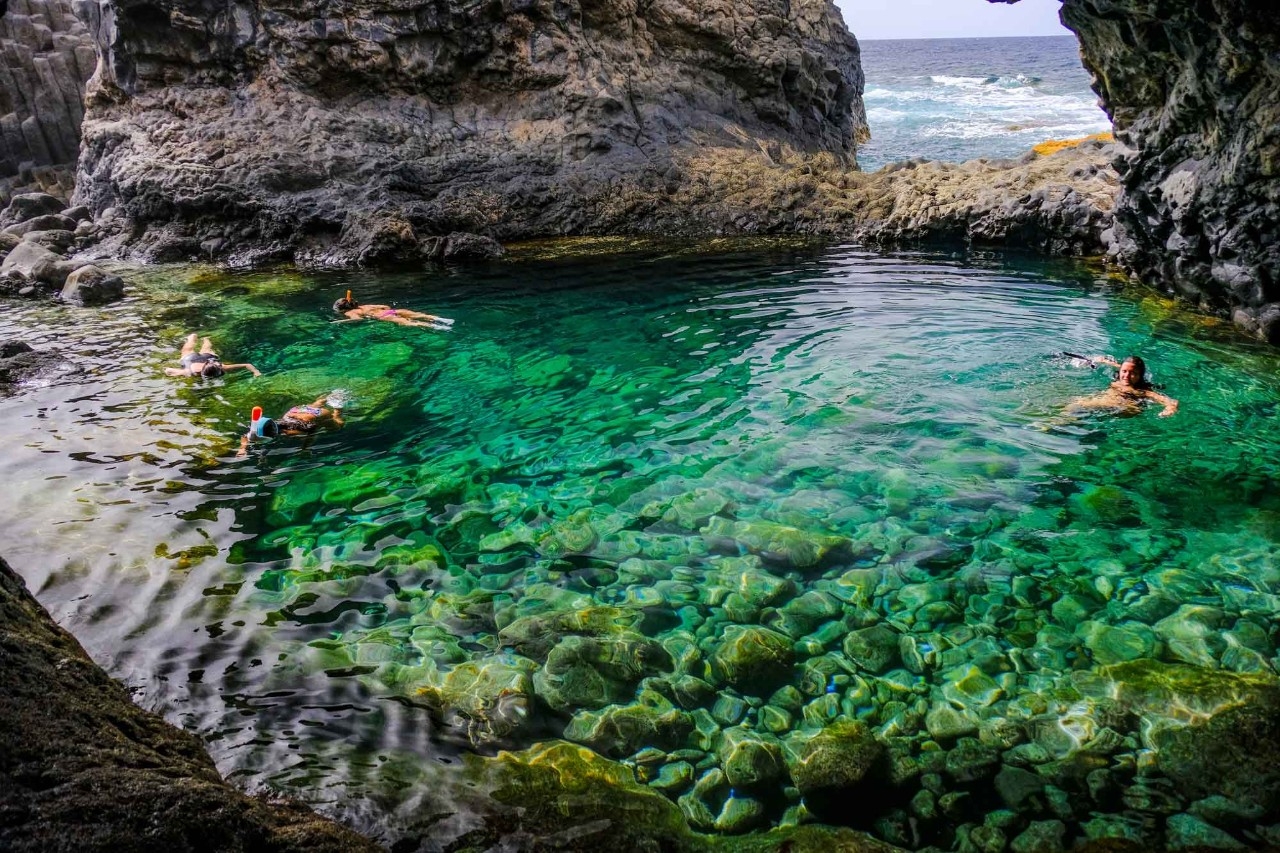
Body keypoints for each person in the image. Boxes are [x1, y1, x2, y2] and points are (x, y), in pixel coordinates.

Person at [1070, 354, 1179, 417]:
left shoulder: (1142, 391)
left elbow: (1170, 401)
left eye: (1133, 373)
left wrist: (1170, 408)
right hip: (1106, 401)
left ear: (1140, 376)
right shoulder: (1119, 376)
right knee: (1072, 405)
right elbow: (1117, 366)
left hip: (1124, 407)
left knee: (1075, 408)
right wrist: (1102, 360)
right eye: (1124, 371)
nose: (1127, 375)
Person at [237, 394, 345, 456]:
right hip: (297, 411)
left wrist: (304, 448)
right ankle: (326, 398)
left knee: (337, 427)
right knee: (314, 406)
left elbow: (312, 432)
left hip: (320, 415)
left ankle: (338, 408)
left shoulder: (291, 432)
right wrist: (242, 448)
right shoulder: (268, 425)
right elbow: (246, 436)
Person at [332, 290, 453, 328]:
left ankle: (437, 327)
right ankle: (442, 319)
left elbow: (357, 319)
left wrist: (339, 321)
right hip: (392, 311)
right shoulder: (366, 306)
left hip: (384, 317)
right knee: (420, 315)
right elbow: (386, 306)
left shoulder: (351, 312)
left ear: (343, 309)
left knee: (410, 323)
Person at [165, 333, 261, 379]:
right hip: (194, 358)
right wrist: (255, 372)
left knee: (199, 346)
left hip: (195, 358)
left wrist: (256, 372)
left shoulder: (188, 372)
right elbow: (168, 370)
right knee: (206, 348)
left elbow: (168, 370)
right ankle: (204, 338)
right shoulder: (222, 367)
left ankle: (197, 337)